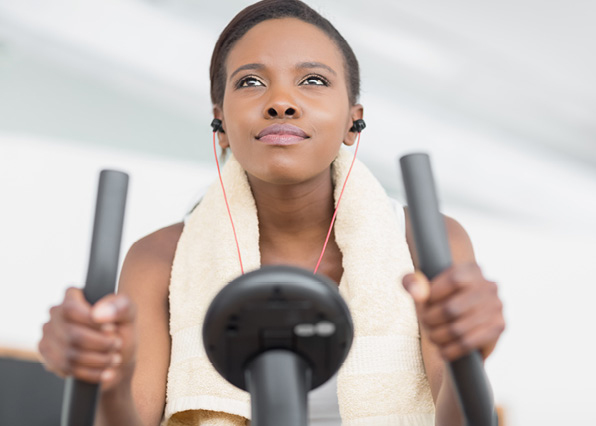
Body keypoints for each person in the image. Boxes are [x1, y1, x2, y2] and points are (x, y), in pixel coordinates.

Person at [39, 1, 505, 425]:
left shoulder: (429, 244)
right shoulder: (158, 259)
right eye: (251, 82)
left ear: (352, 120)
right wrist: (107, 380)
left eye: (314, 80)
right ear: (219, 123)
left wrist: (468, 359)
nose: (281, 102)